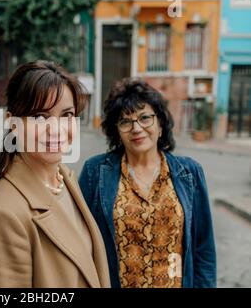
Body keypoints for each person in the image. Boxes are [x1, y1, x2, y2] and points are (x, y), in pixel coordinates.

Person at [0, 60, 111, 288]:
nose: (56, 129)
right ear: (13, 123)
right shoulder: (3, 215)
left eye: (66, 115)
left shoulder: (64, 179)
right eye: (40, 117)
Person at [79, 78, 216, 288]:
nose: (136, 128)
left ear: (160, 124)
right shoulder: (95, 172)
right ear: (117, 131)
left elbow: (203, 249)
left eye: (145, 118)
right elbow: (81, 243)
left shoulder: (189, 173)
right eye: (126, 121)